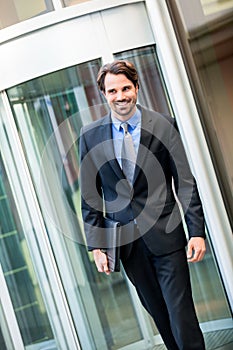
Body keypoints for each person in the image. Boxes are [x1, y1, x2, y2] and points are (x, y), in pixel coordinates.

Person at [79, 60, 206, 349]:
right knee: (160, 316)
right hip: (129, 245)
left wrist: (196, 231)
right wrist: (97, 246)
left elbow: (184, 181)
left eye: (126, 88)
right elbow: (89, 195)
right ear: (104, 94)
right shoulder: (90, 136)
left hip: (167, 237)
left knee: (181, 313)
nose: (121, 96)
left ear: (137, 87)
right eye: (113, 91)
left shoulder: (163, 124)